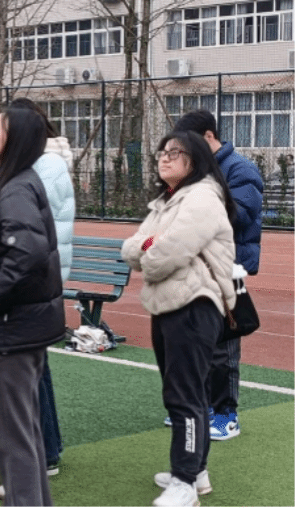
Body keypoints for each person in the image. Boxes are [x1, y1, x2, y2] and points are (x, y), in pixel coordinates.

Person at [121, 130, 237, 506]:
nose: (165, 157)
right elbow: (131, 248)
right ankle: (195, 471)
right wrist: (149, 247)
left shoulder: (202, 197)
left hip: (194, 305)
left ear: (196, 159)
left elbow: (165, 253)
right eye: (163, 152)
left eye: (175, 152)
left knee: (184, 395)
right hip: (168, 305)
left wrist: (150, 251)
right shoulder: (167, 201)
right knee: (185, 393)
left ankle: (184, 481)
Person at [0, 107, 67, 506]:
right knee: (22, 431)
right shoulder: (12, 182)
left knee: (11, 435)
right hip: (21, 323)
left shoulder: (15, 188)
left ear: (15, 140)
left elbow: (28, 253)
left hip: (12, 324)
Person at [172, 109, 263, 441]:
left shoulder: (240, 169)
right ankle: (203, 407)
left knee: (223, 344)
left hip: (227, 266)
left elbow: (238, 214)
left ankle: (227, 415)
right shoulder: (198, 170)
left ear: (209, 137)